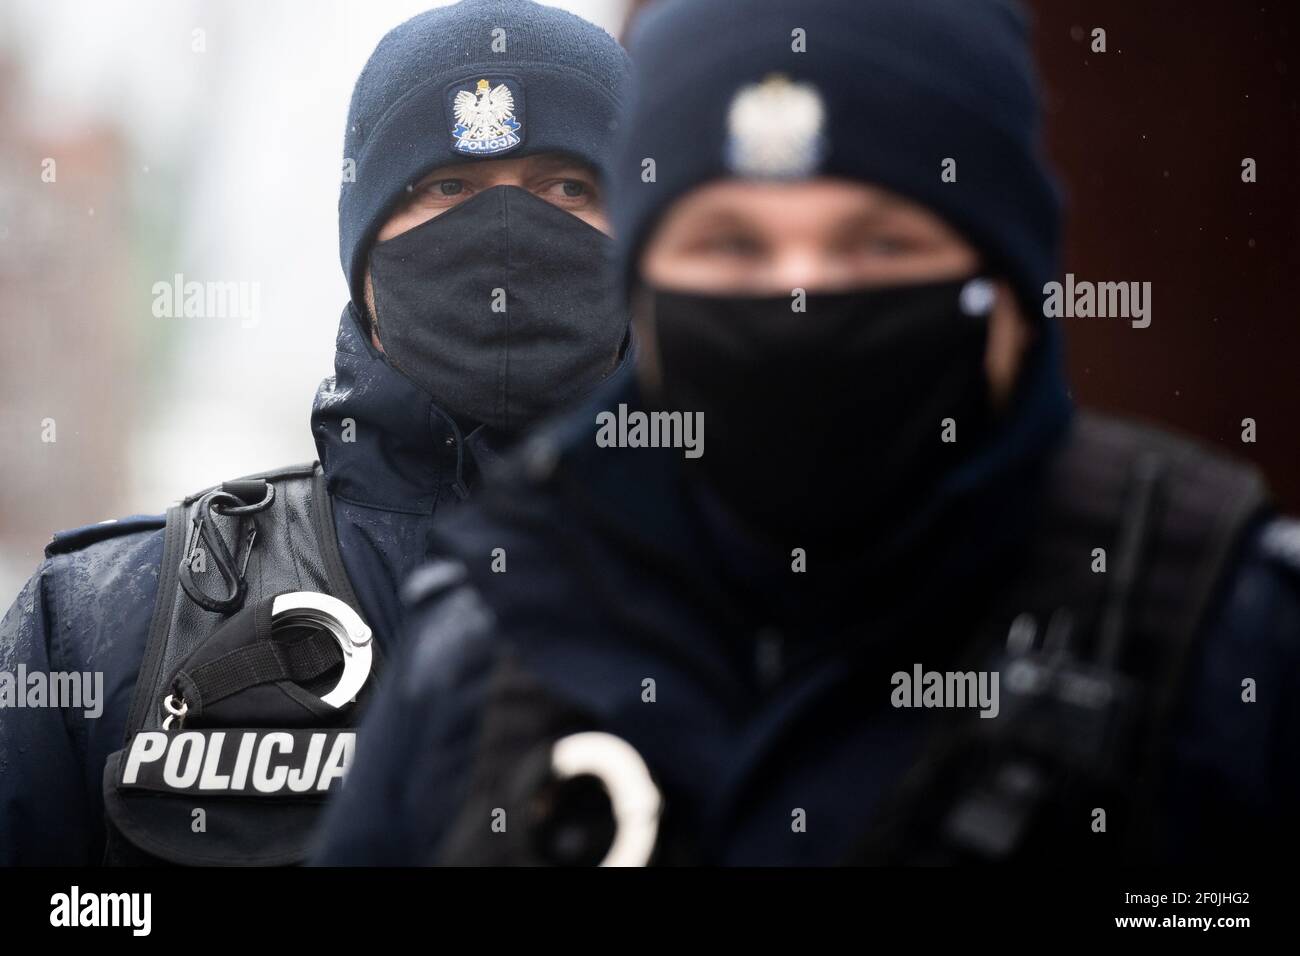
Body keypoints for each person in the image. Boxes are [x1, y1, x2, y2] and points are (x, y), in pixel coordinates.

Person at [313, 0, 1300, 865]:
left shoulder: (1227, 628)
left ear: (1009, 284)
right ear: (644, 295)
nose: (799, 295)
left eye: (879, 242)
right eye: (729, 243)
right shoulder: (491, 633)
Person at [0, 0, 630, 865]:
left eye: (566, 188)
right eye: (446, 189)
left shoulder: (769, 605)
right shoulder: (99, 625)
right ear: (363, 249)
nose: (506, 238)